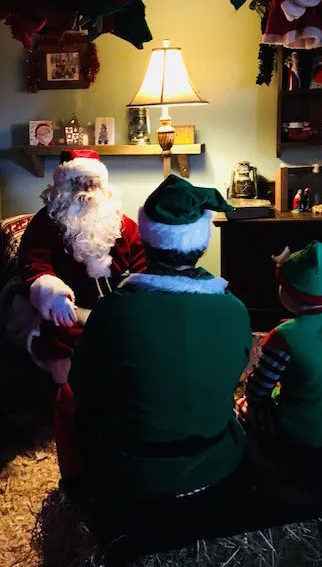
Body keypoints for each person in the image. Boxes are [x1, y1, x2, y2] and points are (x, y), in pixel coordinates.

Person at [69, 174, 252, 498]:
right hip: (214, 463)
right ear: (201, 241)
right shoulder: (235, 310)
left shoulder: (112, 309)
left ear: (146, 238)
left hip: (129, 470)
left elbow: (81, 384)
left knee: (68, 404)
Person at [16, 148, 147, 475]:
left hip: (116, 305)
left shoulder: (123, 224)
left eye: (93, 183)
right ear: (63, 186)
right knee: (62, 332)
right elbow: (33, 264)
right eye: (79, 183)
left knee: (135, 336)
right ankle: (69, 412)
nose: (87, 192)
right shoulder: (46, 223)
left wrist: (135, 293)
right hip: (68, 305)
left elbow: (142, 265)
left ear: (104, 186)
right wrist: (52, 293)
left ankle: (120, 410)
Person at [237, 241, 322, 447]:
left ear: (289, 294)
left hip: (304, 435)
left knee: (240, 407)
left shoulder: (285, 336)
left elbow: (256, 392)